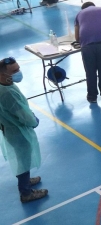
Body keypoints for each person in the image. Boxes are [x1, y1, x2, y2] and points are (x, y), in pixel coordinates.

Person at [0, 57, 48, 203]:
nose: (18, 73)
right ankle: (26, 192)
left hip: (9, 128)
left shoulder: (5, 84)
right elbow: (24, 115)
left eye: (18, 68)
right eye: (14, 71)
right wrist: (33, 121)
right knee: (23, 158)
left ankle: (25, 181)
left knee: (22, 158)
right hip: (17, 131)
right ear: (2, 74)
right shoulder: (7, 93)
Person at [74, 2, 101, 103]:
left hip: (87, 47)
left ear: (83, 9)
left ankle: (92, 96)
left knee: (90, 72)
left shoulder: (79, 15)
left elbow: (77, 38)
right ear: (94, 6)